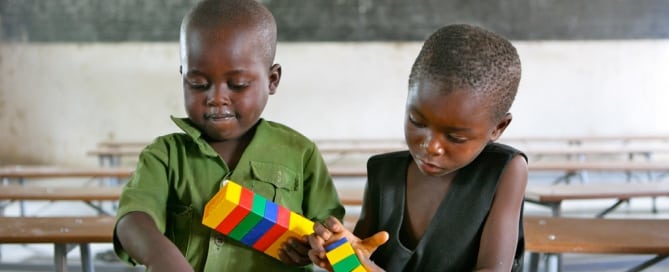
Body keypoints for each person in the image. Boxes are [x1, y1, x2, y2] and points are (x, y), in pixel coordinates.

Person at [112, 0, 345, 271]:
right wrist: (157, 254)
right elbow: (133, 217)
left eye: (238, 85)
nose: (216, 98)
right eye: (198, 84)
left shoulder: (299, 152)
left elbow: (331, 233)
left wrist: (319, 248)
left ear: (272, 80)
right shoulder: (165, 156)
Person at [308, 24, 527, 272]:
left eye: (455, 137)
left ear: (498, 128)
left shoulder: (503, 171)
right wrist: (341, 256)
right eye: (417, 122)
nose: (430, 146)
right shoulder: (384, 172)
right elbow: (364, 253)